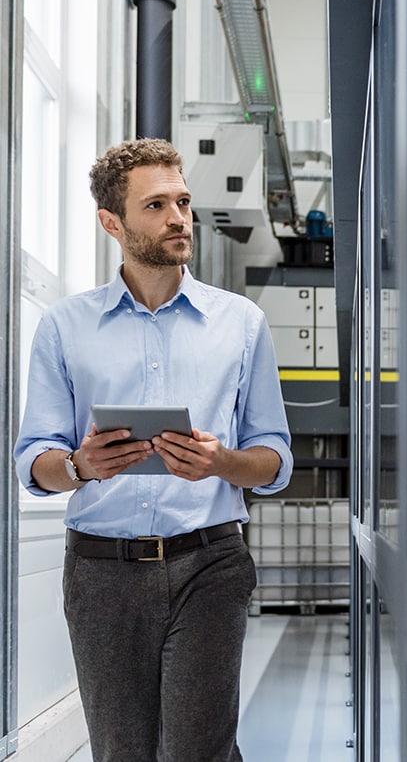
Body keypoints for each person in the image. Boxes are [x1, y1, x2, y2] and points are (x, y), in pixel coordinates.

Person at [14, 137, 294, 761]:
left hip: (210, 562)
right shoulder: (65, 326)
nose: (177, 218)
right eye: (156, 205)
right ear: (112, 223)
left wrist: (223, 464)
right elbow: (34, 462)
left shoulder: (240, 322)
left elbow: (274, 457)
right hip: (99, 573)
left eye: (183, 202)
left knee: (197, 749)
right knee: (122, 752)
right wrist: (81, 466)